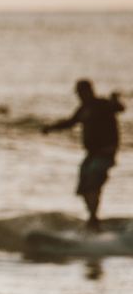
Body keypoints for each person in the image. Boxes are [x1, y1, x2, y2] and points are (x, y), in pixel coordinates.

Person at [43, 79, 125, 232]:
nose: (79, 96)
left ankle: (93, 221)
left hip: (105, 153)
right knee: (84, 188)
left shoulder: (103, 104)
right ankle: (93, 220)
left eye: (81, 92)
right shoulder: (83, 109)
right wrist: (51, 127)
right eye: (78, 93)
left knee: (94, 182)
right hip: (92, 154)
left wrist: (115, 99)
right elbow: (70, 122)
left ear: (89, 91)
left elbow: (119, 108)